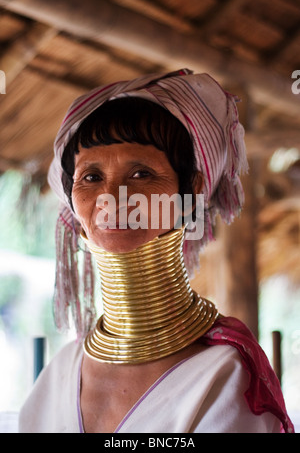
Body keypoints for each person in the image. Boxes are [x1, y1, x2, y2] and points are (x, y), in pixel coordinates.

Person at [18, 69, 294, 433]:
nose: (111, 198)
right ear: (71, 197)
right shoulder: (58, 375)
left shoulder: (224, 377)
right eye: (91, 177)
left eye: (142, 174)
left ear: (191, 191)